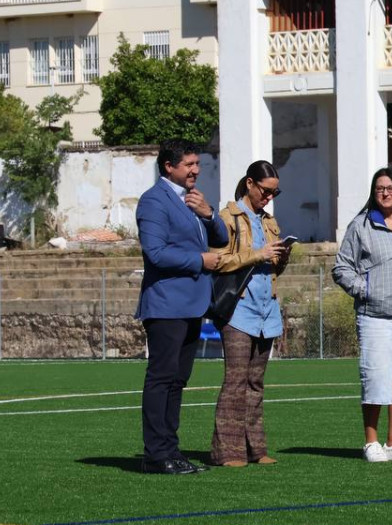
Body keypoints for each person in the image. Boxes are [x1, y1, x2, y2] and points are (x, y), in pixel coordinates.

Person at [135, 139, 229, 475]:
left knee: (177, 380)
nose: (196, 170)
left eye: (197, 164)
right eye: (189, 164)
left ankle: (171, 451)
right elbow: (155, 253)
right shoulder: (154, 202)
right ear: (168, 167)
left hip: (191, 304)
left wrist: (209, 213)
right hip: (165, 305)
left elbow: (220, 238)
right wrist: (199, 260)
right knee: (161, 379)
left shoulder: (191, 201)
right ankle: (156, 454)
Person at [333, 168, 392, 463]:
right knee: (376, 377)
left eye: (390, 188)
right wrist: (365, 290)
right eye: (379, 189)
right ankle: (371, 442)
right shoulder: (361, 226)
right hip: (374, 314)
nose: (385, 193)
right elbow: (342, 268)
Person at [209, 160, 291, 468]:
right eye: (266, 191)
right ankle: (227, 452)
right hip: (238, 309)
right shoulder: (227, 217)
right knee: (236, 380)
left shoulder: (269, 222)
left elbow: (273, 267)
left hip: (266, 308)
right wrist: (257, 254)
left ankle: (255, 449)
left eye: (275, 192)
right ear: (250, 184)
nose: (270, 197)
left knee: (256, 382)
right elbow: (217, 260)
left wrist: (282, 256)